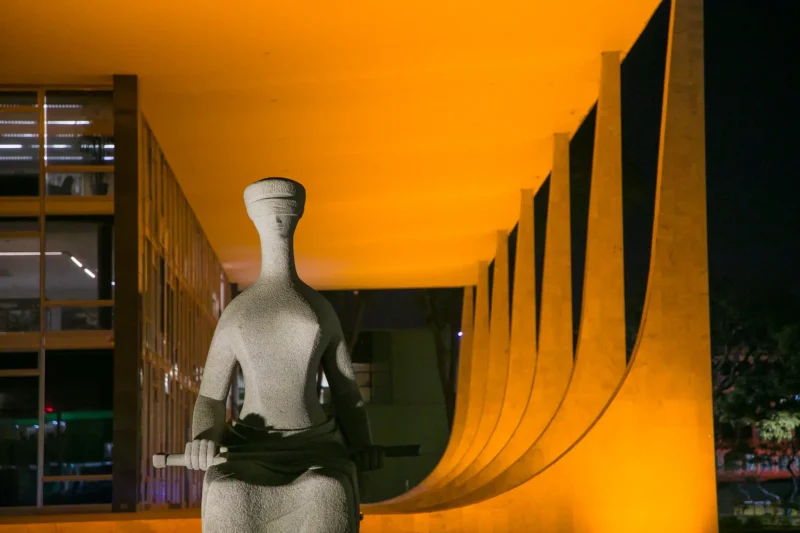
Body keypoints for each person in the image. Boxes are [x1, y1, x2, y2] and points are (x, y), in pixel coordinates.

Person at [183, 178, 381, 533]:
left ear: (296, 219)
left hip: (317, 448)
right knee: (229, 495)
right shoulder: (238, 312)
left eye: (282, 214)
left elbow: (347, 393)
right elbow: (211, 395)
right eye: (269, 214)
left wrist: (362, 444)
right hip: (249, 449)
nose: (277, 221)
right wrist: (204, 437)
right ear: (255, 221)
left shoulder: (319, 310)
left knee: (327, 490)